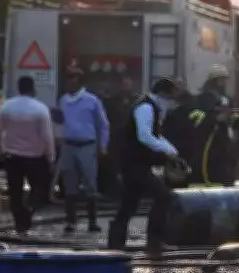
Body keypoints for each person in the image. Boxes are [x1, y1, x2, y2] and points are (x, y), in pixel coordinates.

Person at [107, 77, 182, 254]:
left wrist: (172, 150)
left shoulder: (153, 108)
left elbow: (156, 135)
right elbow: (145, 136)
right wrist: (167, 150)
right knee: (163, 197)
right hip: (134, 163)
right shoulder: (146, 108)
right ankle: (155, 241)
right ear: (162, 94)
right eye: (171, 97)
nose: (172, 102)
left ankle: (115, 241)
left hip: (137, 162)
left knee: (130, 203)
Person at [0, 75, 55, 234]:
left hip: (12, 156)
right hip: (35, 157)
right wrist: (51, 157)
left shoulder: (7, 107)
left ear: (18, 88)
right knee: (39, 188)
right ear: (33, 89)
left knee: (15, 192)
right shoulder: (40, 109)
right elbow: (47, 136)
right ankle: (28, 212)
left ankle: (20, 224)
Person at [58, 68, 110, 234]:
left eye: (72, 80)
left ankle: (92, 222)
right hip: (69, 146)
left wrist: (103, 145)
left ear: (80, 83)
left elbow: (103, 124)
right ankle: (70, 221)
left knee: (90, 185)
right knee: (69, 185)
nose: (69, 84)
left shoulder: (92, 101)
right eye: (68, 80)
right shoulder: (63, 101)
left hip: (87, 146)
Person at [187, 64, 239, 186]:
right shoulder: (202, 99)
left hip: (225, 145)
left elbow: (233, 120)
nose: (224, 82)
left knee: (226, 175)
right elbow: (196, 119)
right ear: (213, 80)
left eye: (225, 79)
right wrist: (215, 118)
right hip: (207, 145)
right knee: (211, 174)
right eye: (221, 79)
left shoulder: (227, 99)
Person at [99, 76, 138, 197]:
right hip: (115, 139)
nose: (126, 87)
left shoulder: (137, 100)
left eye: (128, 85)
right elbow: (105, 120)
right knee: (114, 166)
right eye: (124, 84)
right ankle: (113, 191)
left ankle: (131, 191)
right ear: (120, 86)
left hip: (132, 140)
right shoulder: (111, 101)